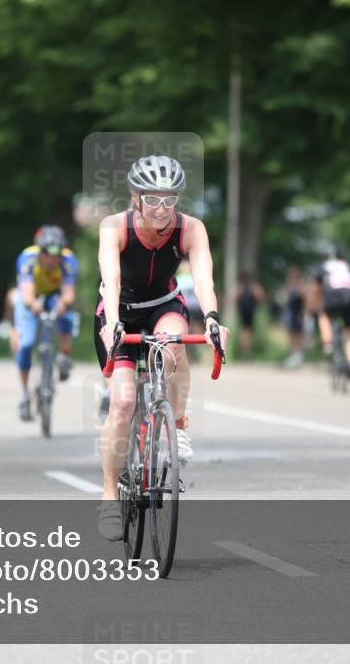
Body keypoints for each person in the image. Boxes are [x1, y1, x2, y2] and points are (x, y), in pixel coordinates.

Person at [94, 155, 230, 540]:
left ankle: (179, 423)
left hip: (162, 306)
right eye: (152, 199)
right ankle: (108, 495)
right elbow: (112, 277)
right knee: (121, 403)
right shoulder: (114, 226)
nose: (161, 209)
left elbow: (203, 280)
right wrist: (113, 325)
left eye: (169, 200)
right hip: (120, 310)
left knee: (173, 346)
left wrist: (214, 319)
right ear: (135, 198)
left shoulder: (191, 229)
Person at [13, 225, 79, 421]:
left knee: (66, 316)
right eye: (47, 254)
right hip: (32, 297)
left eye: (56, 254)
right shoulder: (27, 259)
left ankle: (63, 356)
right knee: (26, 344)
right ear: (40, 251)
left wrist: (63, 304)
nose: (52, 259)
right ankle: (24, 395)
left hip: (55, 295)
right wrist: (34, 305)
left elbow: (69, 293)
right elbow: (26, 295)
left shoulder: (68, 261)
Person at [311, 248, 350, 379]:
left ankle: (328, 344)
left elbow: (315, 290)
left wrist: (314, 306)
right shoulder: (347, 266)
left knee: (324, 316)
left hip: (332, 297)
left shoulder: (323, 267)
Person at [233, 272, 266, 357]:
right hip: (243, 312)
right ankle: (246, 351)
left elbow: (260, 298)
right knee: (245, 332)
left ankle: (247, 351)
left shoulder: (253, 287)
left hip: (250, 312)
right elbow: (234, 297)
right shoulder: (241, 287)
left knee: (247, 332)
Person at [281, 265, 306, 369]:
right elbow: (283, 296)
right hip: (290, 312)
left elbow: (305, 299)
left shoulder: (301, 286)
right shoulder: (289, 286)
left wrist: (303, 313)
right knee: (291, 333)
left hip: (298, 312)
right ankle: (293, 354)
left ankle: (299, 355)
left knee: (298, 334)